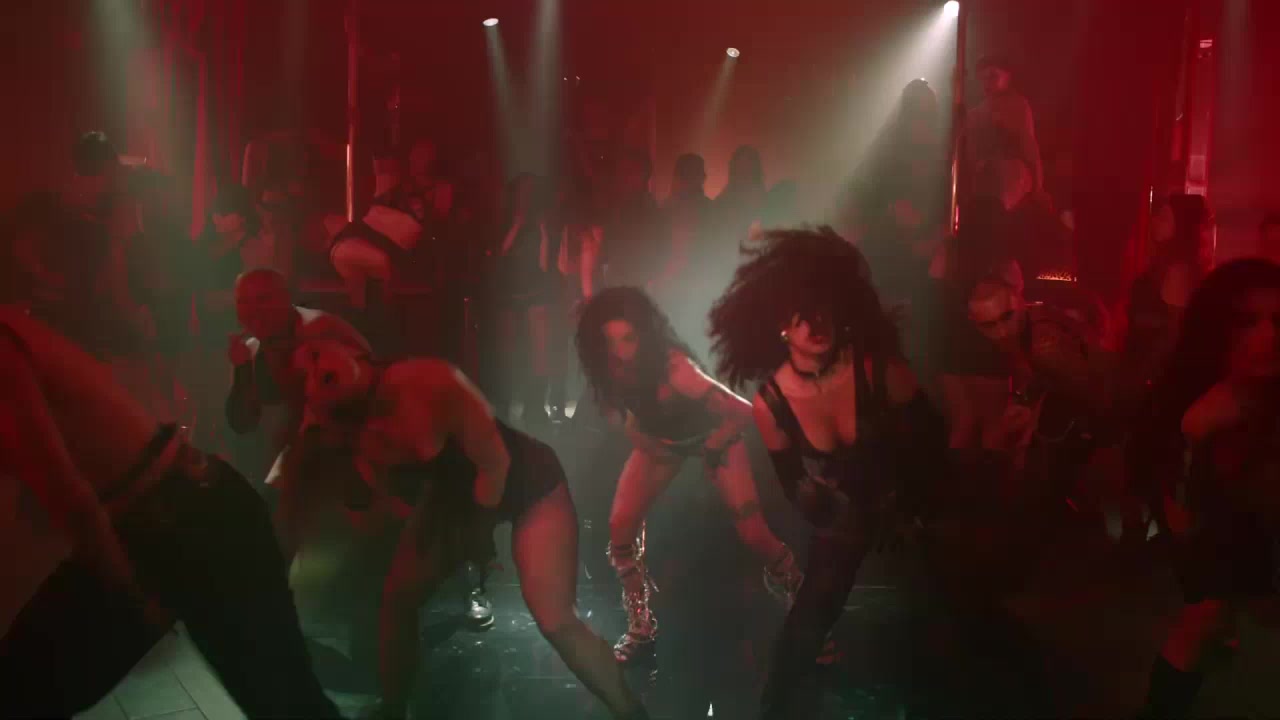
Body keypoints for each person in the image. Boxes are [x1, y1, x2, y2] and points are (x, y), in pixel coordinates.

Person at [0, 306, 338, 718]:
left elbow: (69, 495)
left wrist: (128, 595)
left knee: (287, 703)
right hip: (173, 513)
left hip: (187, 516)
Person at [291, 340, 650, 720]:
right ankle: (392, 710)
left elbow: (495, 465)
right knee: (398, 599)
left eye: (317, 356)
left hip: (525, 481)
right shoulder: (334, 429)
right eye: (306, 374)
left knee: (556, 620)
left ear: (354, 353)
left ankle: (631, 713)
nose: (316, 369)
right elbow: (376, 502)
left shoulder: (427, 380)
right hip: (452, 499)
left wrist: (477, 541)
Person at [707, 227, 944, 719]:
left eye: (825, 310)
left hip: (918, 500)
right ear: (781, 325)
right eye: (803, 314)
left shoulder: (876, 368)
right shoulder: (771, 403)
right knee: (807, 621)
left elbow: (932, 441)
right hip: (851, 509)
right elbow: (795, 486)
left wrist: (909, 506)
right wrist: (836, 512)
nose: (817, 324)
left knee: (941, 615)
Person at [575, 287, 804, 665]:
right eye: (610, 341)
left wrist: (714, 445)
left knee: (752, 532)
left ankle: (807, 610)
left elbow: (743, 412)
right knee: (620, 529)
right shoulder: (608, 370)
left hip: (715, 436)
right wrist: (648, 442)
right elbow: (630, 417)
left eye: (628, 339)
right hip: (665, 441)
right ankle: (640, 626)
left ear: (644, 335)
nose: (619, 350)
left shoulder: (675, 367)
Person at [1129, 259, 1280, 718]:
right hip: (1226, 575)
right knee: (1206, 617)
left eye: (1278, 321)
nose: (1268, 336)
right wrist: (1194, 434)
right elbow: (1188, 545)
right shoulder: (1188, 409)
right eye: (1246, 321)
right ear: (1217, 329)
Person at [967, 55, 1043, 191]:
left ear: (1007, 77)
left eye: (993, 76)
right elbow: (971, 153)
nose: (987, 83)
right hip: (984, 178)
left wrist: (1038, 187)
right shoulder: (975, 113)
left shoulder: (1018, 106)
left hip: (1014, 176)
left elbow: (1029, 147)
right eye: (983, 78)